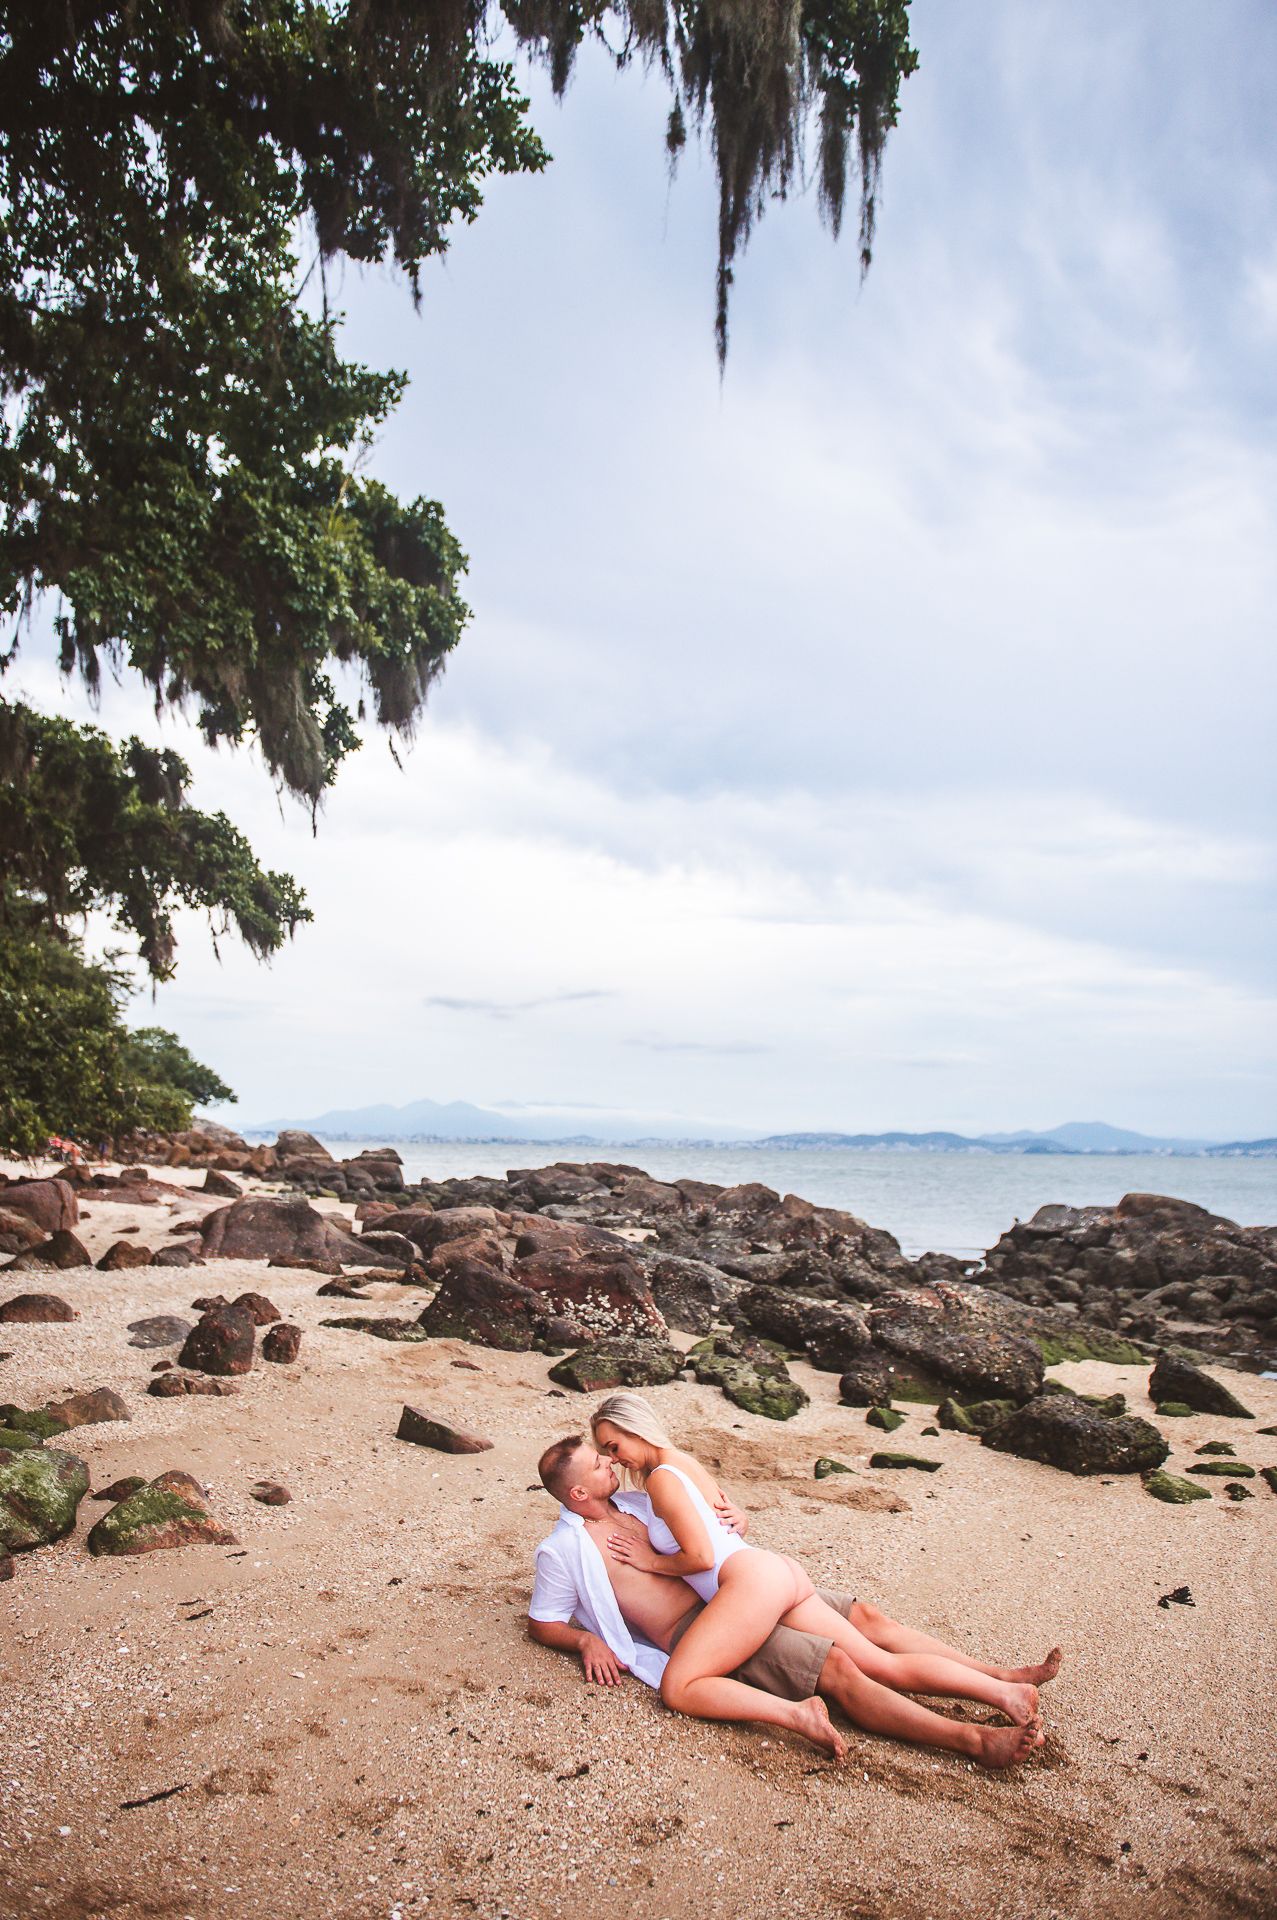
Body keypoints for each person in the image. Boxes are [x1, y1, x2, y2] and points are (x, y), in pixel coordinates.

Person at [530, 1434, 1048, 1767]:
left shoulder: (638, 1502)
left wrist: (739, 1515)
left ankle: (1000, 1683)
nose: (611, 1465)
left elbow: (704, 1524)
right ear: (577, 1494)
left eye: (608, 1454)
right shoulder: (563, 1549)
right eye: (600, 1465)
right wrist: (585, 1642)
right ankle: (974, 1740)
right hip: (701, 1624)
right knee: (840, 1668)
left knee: (865, 1619)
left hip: (738, 1589)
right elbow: (542, 1621)